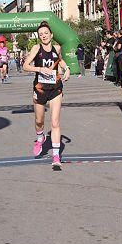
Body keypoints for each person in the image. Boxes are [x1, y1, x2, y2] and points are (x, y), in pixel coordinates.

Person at [23, 21, 71, 170]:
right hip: (40, 89)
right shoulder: (36, 48)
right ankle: (40, 138)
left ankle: (56, 156)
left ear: (51, 35)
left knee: (55, 122)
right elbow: (25, 66)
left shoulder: (57, 48)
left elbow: (60, 61)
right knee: (39, 121)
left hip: (55, 89)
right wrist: (39, 69)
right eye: (41, 34)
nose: (43, 36)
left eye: (46, 33)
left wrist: (67, 69)